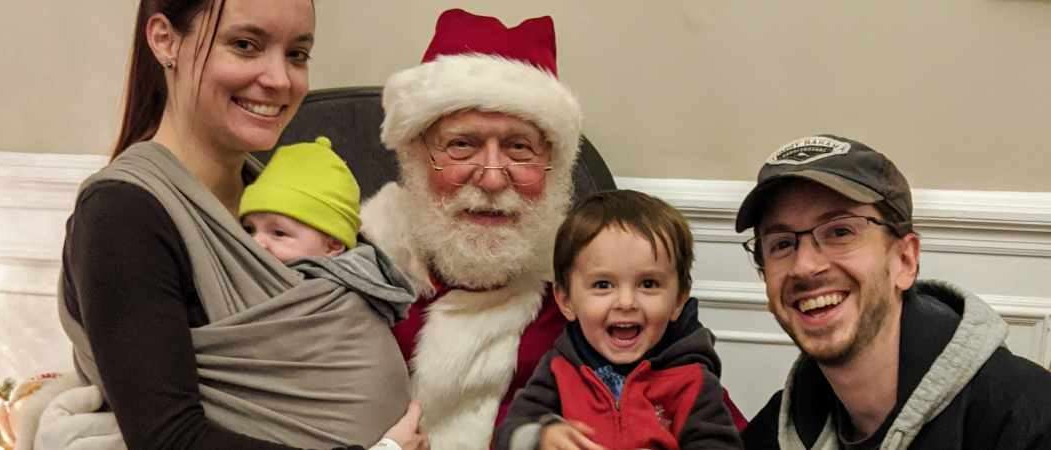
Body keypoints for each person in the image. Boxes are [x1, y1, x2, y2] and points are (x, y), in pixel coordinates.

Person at [30, 1, 426, 449]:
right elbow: (169, 440)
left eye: (297, 54)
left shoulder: (275, 197)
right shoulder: (122, 213)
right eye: (245, 45)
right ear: (164, 40)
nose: (279, 79)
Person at [360, 9, 745, 449]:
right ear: (416, 156)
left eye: (519, 148)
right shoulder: (356, 281)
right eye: (462, 144)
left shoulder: (591, 296)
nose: (491, 178)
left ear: (554, 169)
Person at [736, 135, 1051, 449]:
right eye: (781, 244)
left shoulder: (1025, 422)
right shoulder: (778, 428)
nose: (804, 266)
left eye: (840, 231)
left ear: (905, 260)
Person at [494, 190, 742, 450]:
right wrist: (541, 437)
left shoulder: (692, 379)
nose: (626, 302)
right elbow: (509, 433)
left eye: (648, 284)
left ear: (678, 300)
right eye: (603, 284)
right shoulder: (558, 368)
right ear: (566, 300)